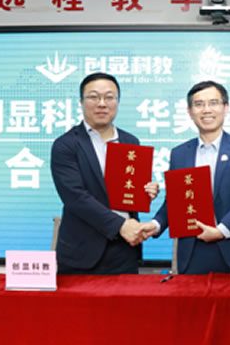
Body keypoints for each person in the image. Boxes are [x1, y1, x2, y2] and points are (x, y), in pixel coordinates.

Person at [148, 81, 230, 274]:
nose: (206, 110)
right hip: (193, 251)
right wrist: (155, 225)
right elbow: (175, 202)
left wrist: (221, 231)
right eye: (199, 104)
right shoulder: (179, 153)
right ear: (190, 111)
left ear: (226, 108)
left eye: (213, 103)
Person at [51, 72, 158, 274]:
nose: (102, 103)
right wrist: (121, 225)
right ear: (81, 102)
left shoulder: (130, 142)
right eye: (93, 97)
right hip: (82, 253)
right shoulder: (66, 145)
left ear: (118, 102)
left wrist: (145, 191)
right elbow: (76, 197)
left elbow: (127, 192)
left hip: (125, 250)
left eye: (109, 97)